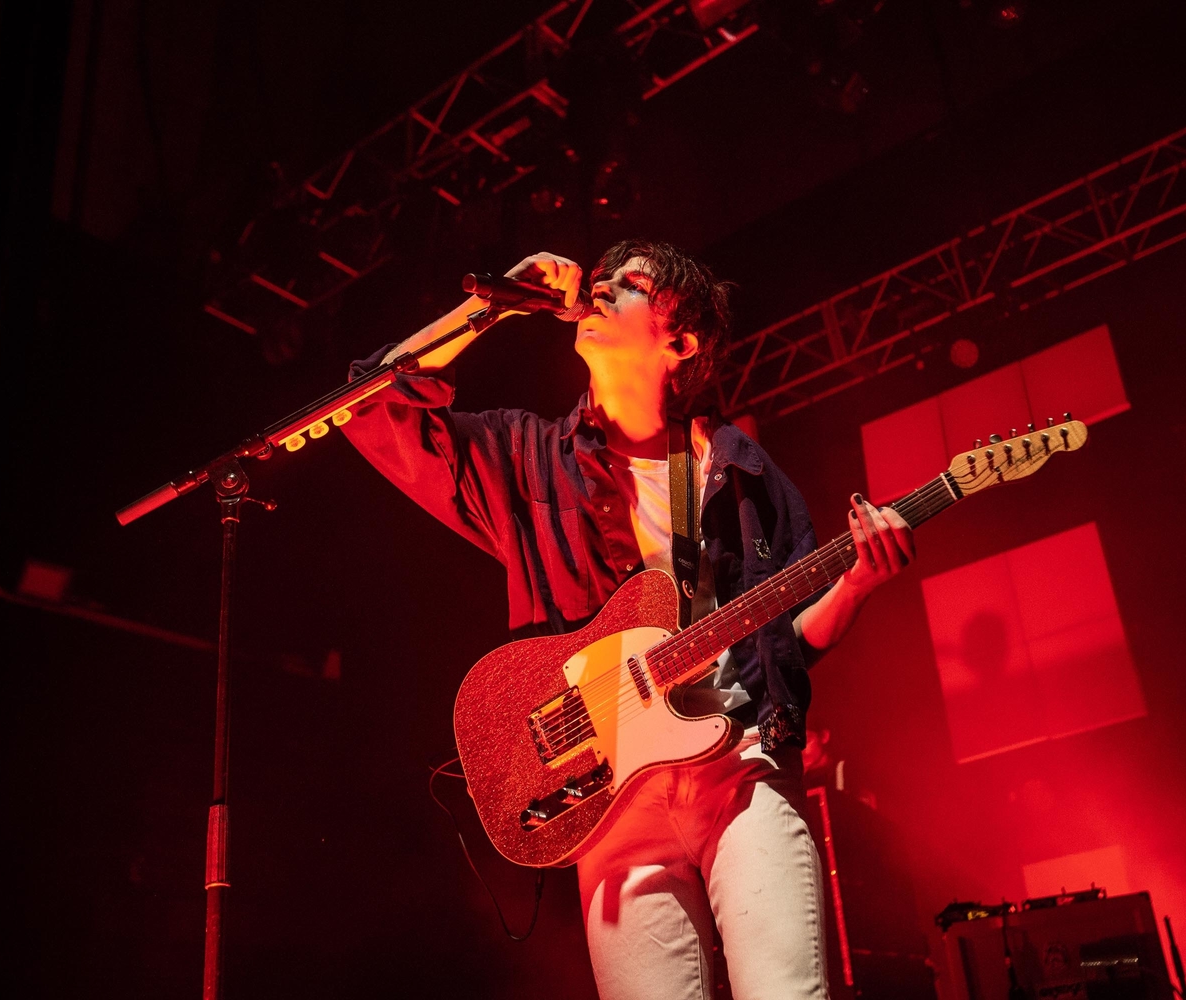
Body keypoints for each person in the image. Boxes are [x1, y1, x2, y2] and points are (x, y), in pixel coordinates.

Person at [341, 241, 915, 1000]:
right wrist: (487, 309)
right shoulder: (527, 456)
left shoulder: (741, 473)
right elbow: (369, 405)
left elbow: (792, 641)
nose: (603, 286)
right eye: (604, 277)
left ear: (681, 342)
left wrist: (859, 584)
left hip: (737, 770)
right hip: (606, 800)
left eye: (631, 284)